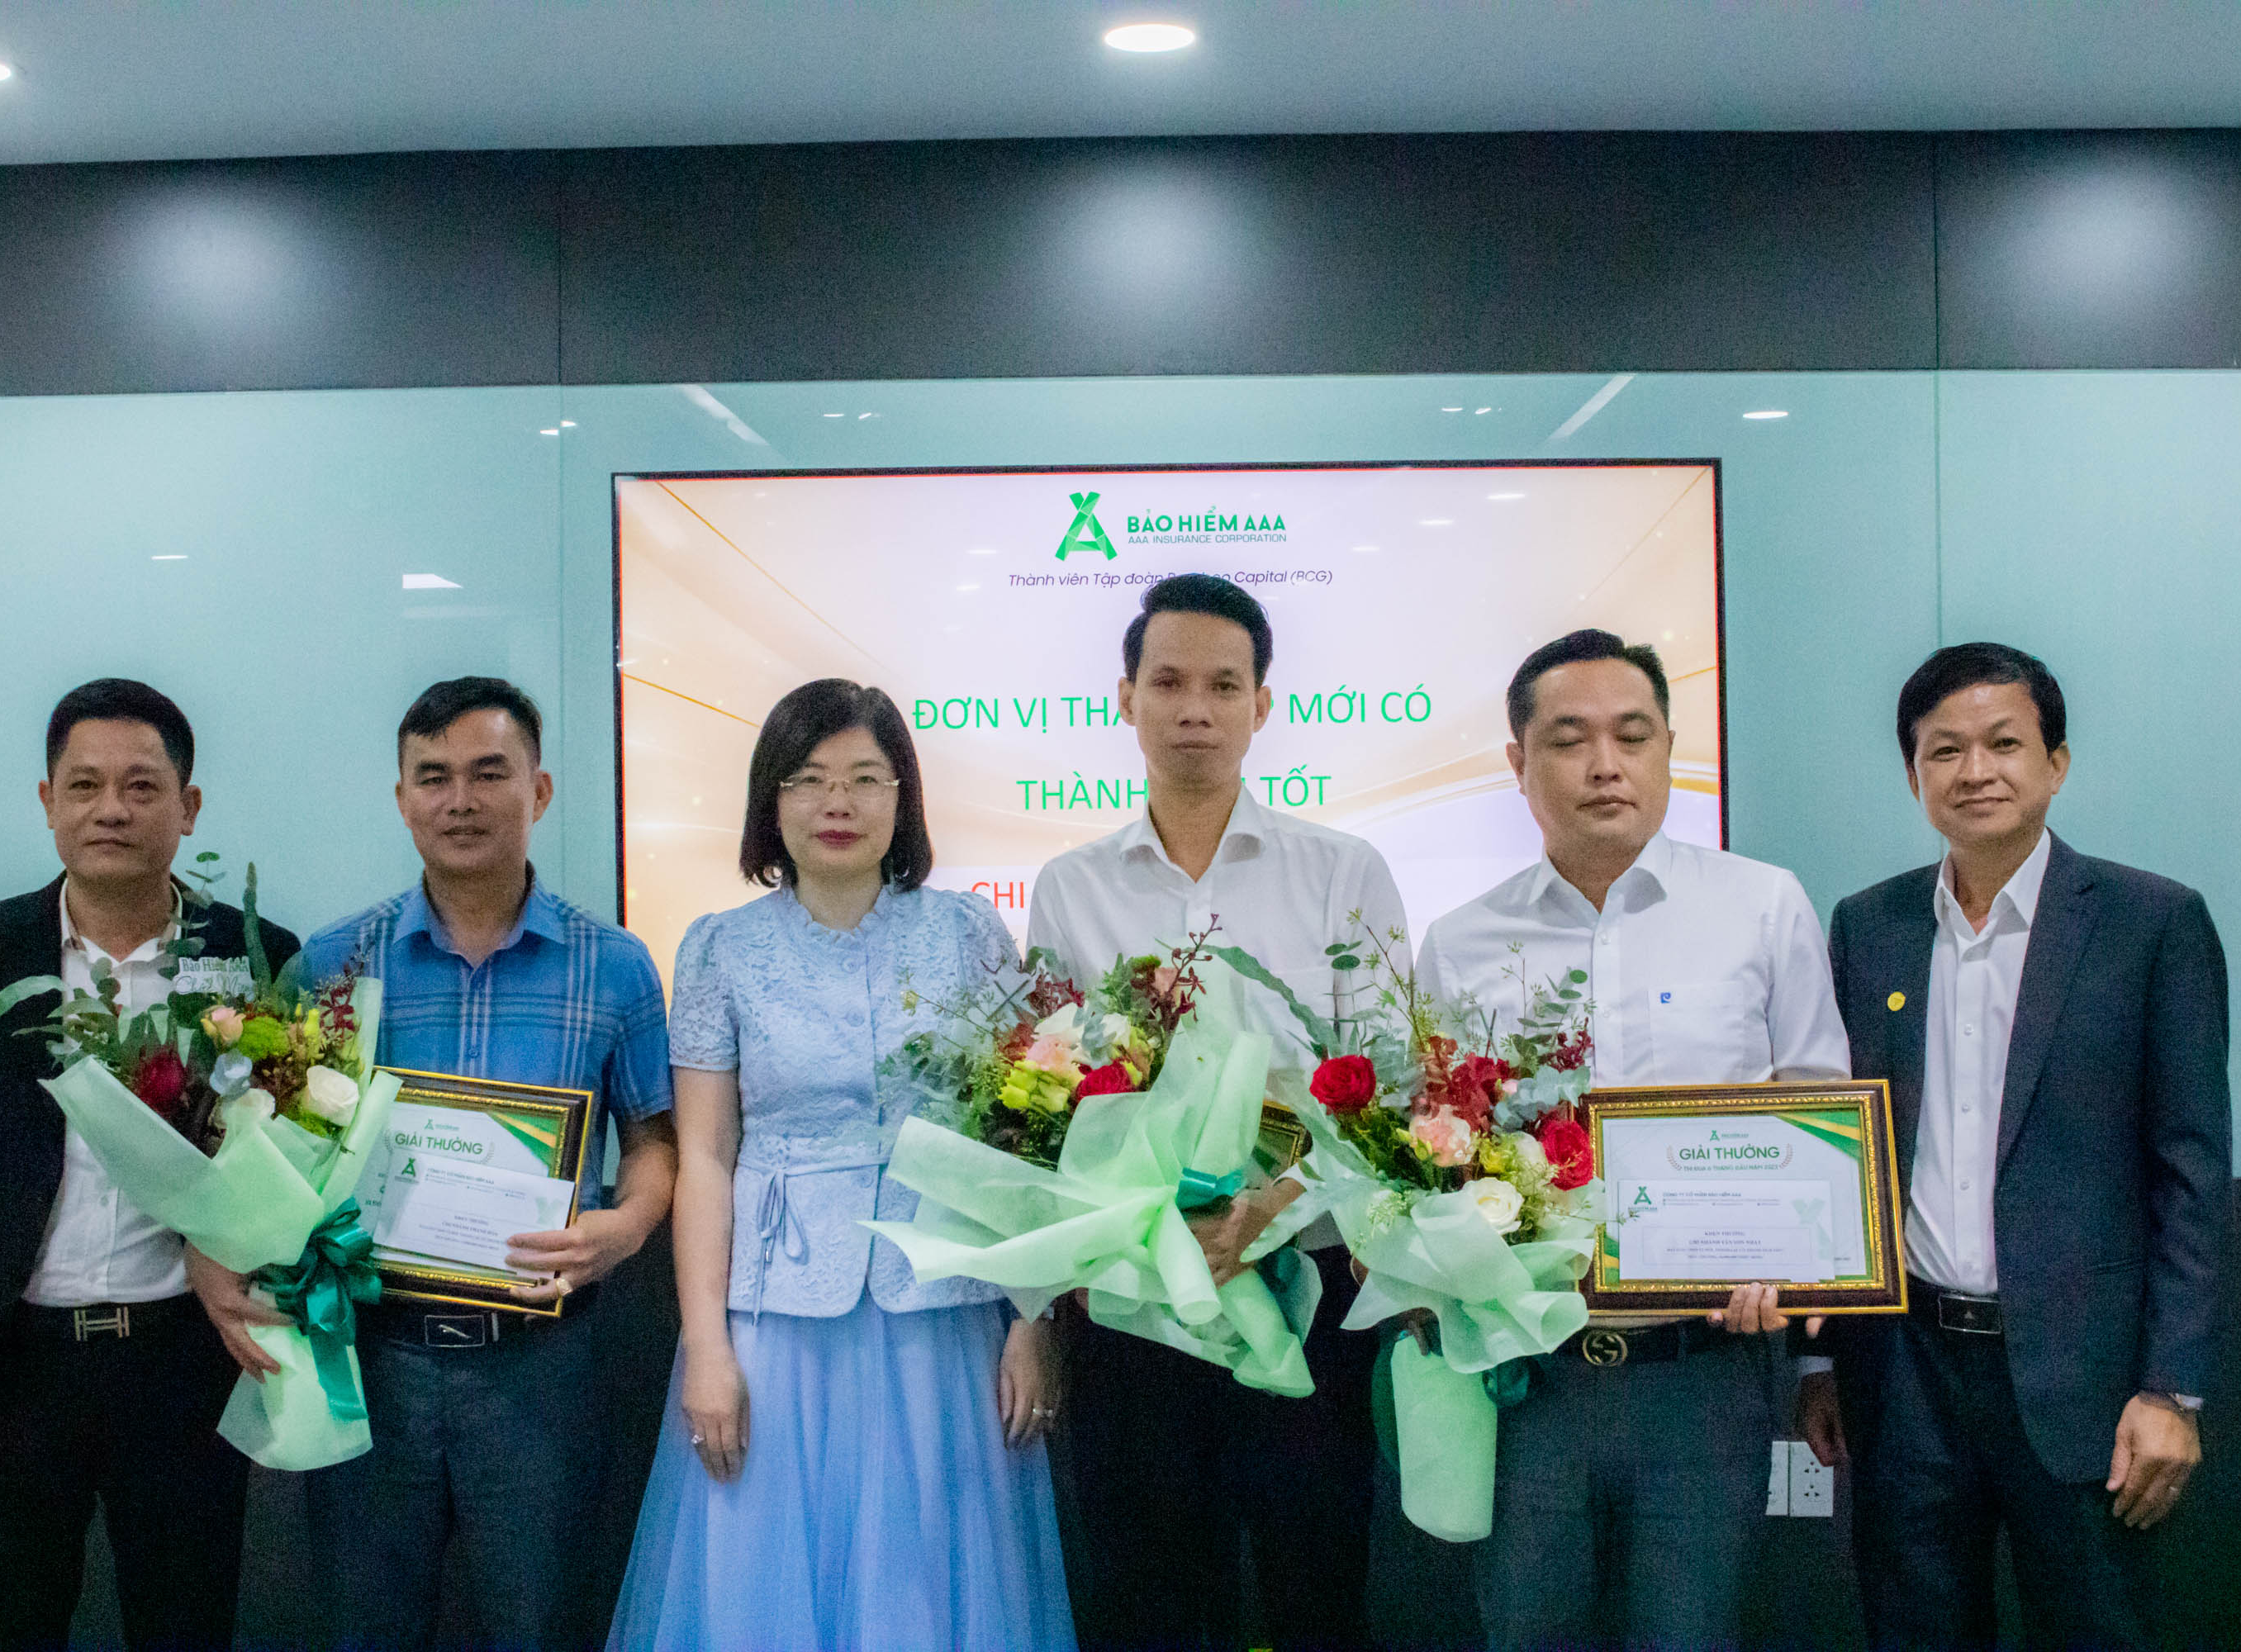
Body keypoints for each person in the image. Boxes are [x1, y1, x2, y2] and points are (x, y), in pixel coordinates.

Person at [610, 677, 1075, 1652]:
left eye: (867, 777)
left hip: (945, 1313)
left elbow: (1023, 1132)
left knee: (932, 1581)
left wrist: (1031, 1316)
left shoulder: (966, 933)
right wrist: (706, 1344)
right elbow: (706, 1154)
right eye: (810, 778)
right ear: (770, 800)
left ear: (903, 796)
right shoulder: (721, 947)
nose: (839, 802)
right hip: (775, 1319)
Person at [1416, 629, 1849, 1651]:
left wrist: (1787, 1266)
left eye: (1633, 734)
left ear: (1668, 749)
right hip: (1526, 1377)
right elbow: (1428, 1143)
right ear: (1518, 761)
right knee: (1526, 1633)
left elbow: (1819, 1111)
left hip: (1706, 1374)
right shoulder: (1460, 940)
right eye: (1570, 739)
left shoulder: (1762, 904)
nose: (1605, 764)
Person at [1797, 643, 2229, 1651]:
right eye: (1944, 750)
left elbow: (2192, 1169)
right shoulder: (1869, 925)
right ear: (1914, 775)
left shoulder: (2151, 923)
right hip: (1904, 1373)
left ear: (2056, 763)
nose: (1975, 770)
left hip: (2086, 1380)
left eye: (2004, 743)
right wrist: (1817, 1357)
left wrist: (2171, 1387)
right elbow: (1836, 1153)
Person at [1029, 573, 1405, 1652]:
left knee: (1315, 1589)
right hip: (1133, 1300)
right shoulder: (1071, 886)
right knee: (1149, 1601)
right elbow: (1049, 1096)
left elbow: (1379, 1084)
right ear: (1126, 699)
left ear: (1262, 705)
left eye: (1224, 685)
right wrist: (1141, 1224)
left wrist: (1267, 1203)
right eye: (1169, 682)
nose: (1195, 708)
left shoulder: (1343, 872)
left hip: (1305, 1283)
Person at [0, 678, 297, 1652]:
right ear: (49, 801)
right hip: (9, 1362)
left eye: (142, 786)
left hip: (182, 1360)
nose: (112, 808)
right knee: (4, 1625)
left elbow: (287, 1151)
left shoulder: (250, 956)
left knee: (185, 1623)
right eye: (85, 784)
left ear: (188, 806)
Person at [274, 676, 677, 1651]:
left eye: (489, 772)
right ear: (402, 797)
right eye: (434, 776)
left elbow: (656, 1140)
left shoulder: (615, 964)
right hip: (371, 1357)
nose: (460, 799)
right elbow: (277, 1144)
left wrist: (626, 1226)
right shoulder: (334, 962)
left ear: (540, 790)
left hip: (544, 1367)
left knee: (541, 1625)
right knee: (365, 1629)